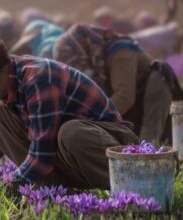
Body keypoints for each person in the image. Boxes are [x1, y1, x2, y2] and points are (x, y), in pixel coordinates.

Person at [0, 34, 138, 190]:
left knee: (71, 132)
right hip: (74, 156)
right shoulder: (11, 78)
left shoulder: (40, 79)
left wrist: (7, 189)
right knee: (0, 115)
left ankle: (128, 188)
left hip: (113, 149)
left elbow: (41, 154)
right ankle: (52, 189)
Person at [53, 23, 183, 143]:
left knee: (147, 147)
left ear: (83, 48)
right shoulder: (99, 63)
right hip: (136, 103)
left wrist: (93, 118)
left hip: (154, 94)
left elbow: (125, 96)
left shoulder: (120, 51)